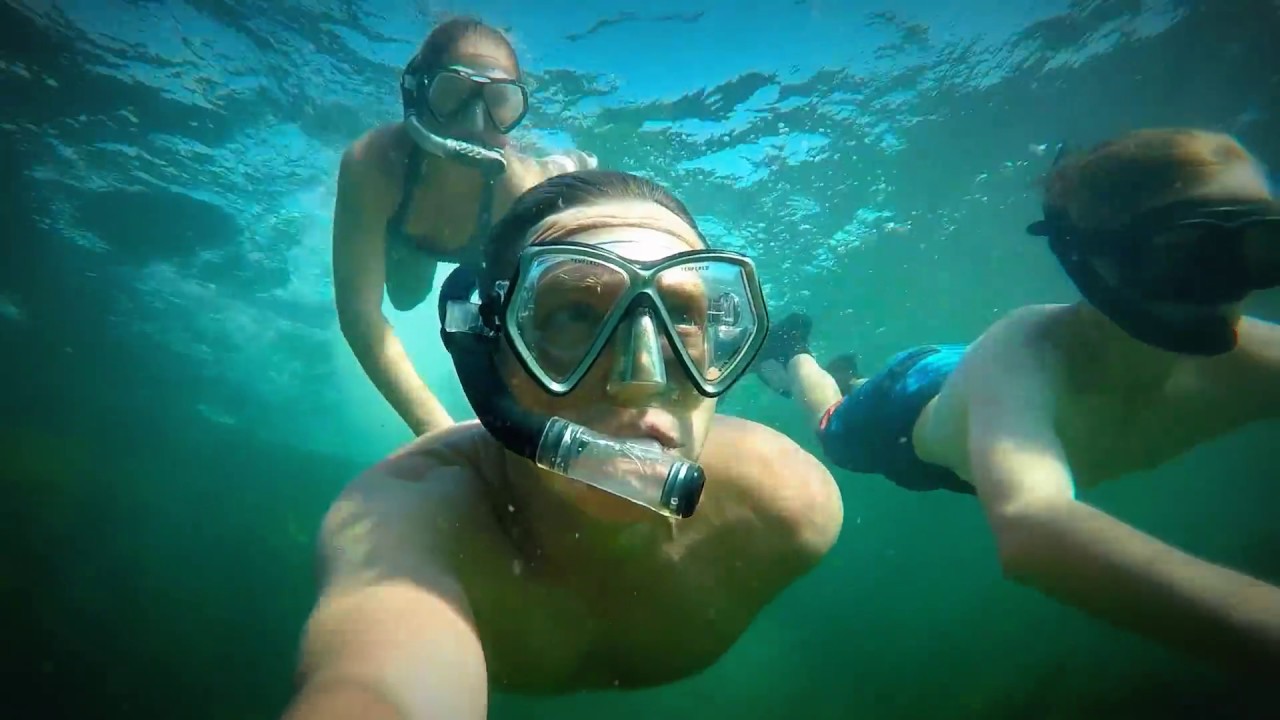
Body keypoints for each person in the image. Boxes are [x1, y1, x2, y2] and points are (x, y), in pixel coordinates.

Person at [285, 171, 844, 720]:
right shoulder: (406, 515)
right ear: (485, 355)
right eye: (576, 313)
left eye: (683, 317)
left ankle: (791, 357)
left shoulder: (786, 508)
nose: (642, 376)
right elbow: (383, 683)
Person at [756, 128, 1280, 673]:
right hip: (911, 405)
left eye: (1264, 247)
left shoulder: (1255, 354)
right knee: (831, 427)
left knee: (936, 385)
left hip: (976, 383)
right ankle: (795, 354)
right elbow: (1035, 525)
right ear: (1093, 256)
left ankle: (855, 378)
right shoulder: (1025, 352)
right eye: (1190, 254)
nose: (1229, 287)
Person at [333, 16, 598, 437]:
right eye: (452, 94)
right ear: (417, 94)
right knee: (405, 297)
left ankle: (559, 165)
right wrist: (437, 433)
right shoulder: (371, 164)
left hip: (486, 246)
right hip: (409, 243)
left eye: (500, 104)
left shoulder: (518, 187)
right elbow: (359, 315)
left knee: (500, 320)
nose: (475, 124)